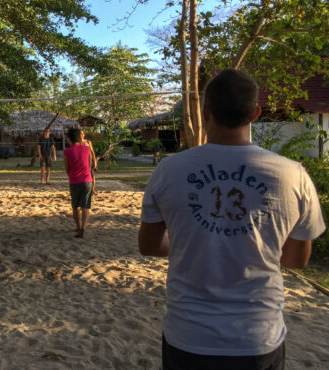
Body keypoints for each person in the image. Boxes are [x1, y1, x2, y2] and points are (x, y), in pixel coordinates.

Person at [138, 69, 325, 370]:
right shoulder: (293, 174)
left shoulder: (169, 170)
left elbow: (149, 246)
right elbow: (295, 260)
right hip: (258, 338)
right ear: (255, 113)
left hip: (188, 336)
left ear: (206, 111)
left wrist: (193, 240)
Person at [64, 128, 93, 239]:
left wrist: (72, 175)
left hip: (74, 181)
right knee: (86, 206)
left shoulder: (67, 151)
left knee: (75, 206)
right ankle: (83, 228)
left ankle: (78, 227)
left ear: (70, 138)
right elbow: (89, 165)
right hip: (87, 180)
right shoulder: (86, 149)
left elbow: (67, 168)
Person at [80, 129, 98, 195]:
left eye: (82, 134)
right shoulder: (77, 143)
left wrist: (95, 161)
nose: (81, 135)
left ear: (84, 135)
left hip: (89, 161)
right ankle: (84, 190)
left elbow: (92, 152)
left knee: (92, 176)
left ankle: (92, 189)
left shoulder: (88, 142)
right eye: (79, 134)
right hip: (81, 163)